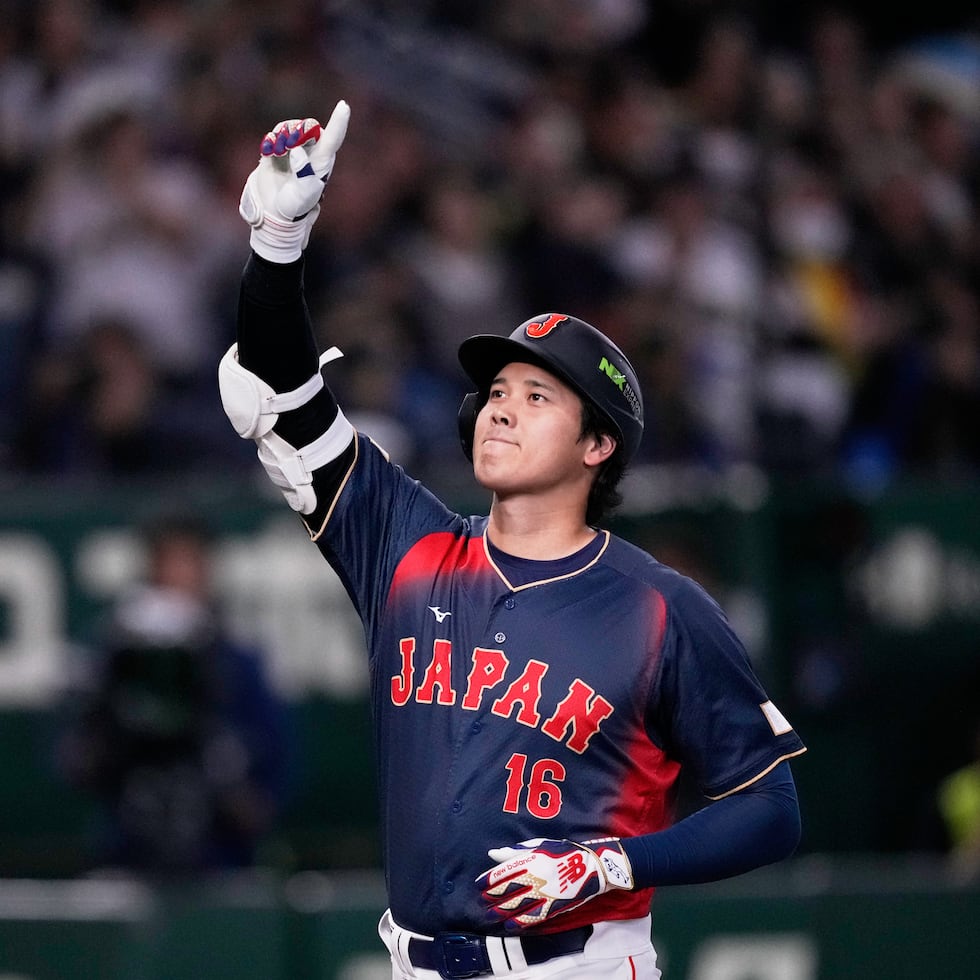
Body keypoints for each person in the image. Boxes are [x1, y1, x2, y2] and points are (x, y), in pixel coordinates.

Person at [220, 102, 806, 979]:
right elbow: (279, 385)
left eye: (540, 397)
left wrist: (613, 863)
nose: (502, 403)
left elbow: (771, 807)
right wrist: (280, 237)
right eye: (499, 388)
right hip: (416, 962)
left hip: (577, 966)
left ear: (597, 445)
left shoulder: (658, 609)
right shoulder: (406, 545)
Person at [58, 513, 290, 876]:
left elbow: (272, 785)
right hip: (125, 856)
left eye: (191, 561)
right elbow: (75, 763)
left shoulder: (236, 664)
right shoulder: (115, 658)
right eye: (169, 562)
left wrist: (222, 769)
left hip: (221, 861)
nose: (181, 576)